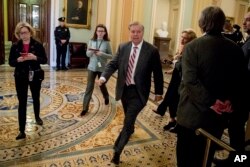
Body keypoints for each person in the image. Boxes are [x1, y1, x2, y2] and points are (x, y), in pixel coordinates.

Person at [176, 6, 249, 167]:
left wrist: (212, 102)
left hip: (191, 117)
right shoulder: (235, 49)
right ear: (222, 24)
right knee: (205, 159)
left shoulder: (192, 47)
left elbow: (190, 81)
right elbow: (240, 82)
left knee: (185, 160)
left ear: (201, 23)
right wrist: (229, 101)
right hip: (217, 118)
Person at [97, 21, 164, 165]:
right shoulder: (123, 47)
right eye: (132, 31)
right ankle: (131, 128)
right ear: (129, 33)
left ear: (142, 33)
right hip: (124, 90)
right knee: (129, 117)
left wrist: (159, 92)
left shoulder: (151, 50)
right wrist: (103, 77)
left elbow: (158, 72)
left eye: (138, 32)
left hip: (139, 93)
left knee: (127, 122)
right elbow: (113, 64)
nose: (135, 34)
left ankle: (117, 151)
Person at [214, 11, 250, 167]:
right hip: (240, 96)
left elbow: (246, 75)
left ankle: (237, 161)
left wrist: (232, 98)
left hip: (242, 97)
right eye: (244, 20)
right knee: (236, 132)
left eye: (248, 20)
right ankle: (234, 159)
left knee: (237, 131)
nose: (244, 23)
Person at [152, 29, 197, 132]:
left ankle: (177, 123)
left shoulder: (191, 49)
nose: (182, 40)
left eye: (185, 38)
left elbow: (185, 66)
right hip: (176, 76)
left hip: (183, 79)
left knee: (177, 100)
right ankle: (172, 120)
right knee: (171, 98)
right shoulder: (183, 48)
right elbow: (178, 64)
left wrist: (175, 63)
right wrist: (173, 67)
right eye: (182, 37)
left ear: (191, 39)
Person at [9, 22, 47, 140]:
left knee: (36, 97)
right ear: (18, 34)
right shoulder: (15, 46)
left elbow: (45, 60)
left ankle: (37, 117)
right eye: (21, 33)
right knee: (22, 102)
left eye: (26, 32)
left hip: (35, 75)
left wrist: (34, 57)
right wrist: (18, 60)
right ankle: (21, 130)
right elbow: (11, 62)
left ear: (30, 32)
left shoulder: (38, 45)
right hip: (20, 76)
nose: (24, 35)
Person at [80, 24, 113, 116]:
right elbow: (87, 54)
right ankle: (85, 108)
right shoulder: (91, 41)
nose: (100, 32)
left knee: (102, 85)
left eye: (102, 31)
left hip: (102, 68)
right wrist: (91, 52)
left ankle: (106, 96)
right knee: (89, 88)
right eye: (98, 31)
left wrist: (101, 54)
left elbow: (111, 56)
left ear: (104, 32)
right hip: (92, 67)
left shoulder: (107, 43)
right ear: (96, 32)